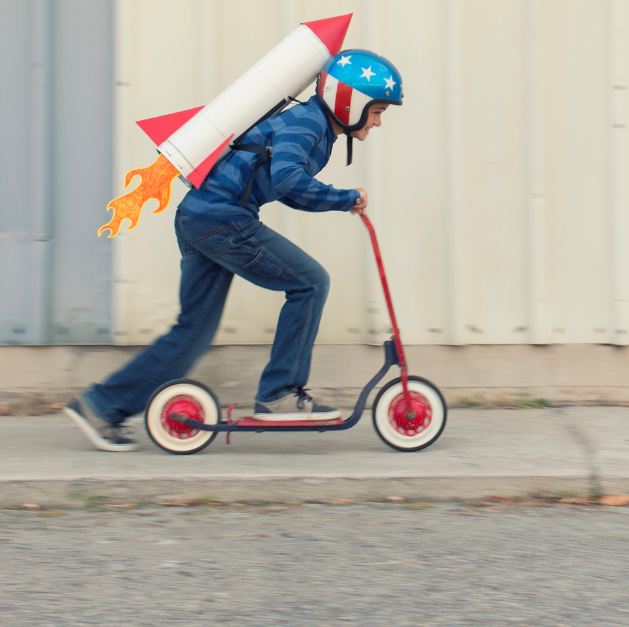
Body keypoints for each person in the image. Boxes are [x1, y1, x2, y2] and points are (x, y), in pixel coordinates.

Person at [64, 48, 403, 452]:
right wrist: (344, 197)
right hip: (222, 221)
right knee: (311, 283)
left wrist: (338, 200)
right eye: (377, 110)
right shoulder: (309, 124)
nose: (379, 121)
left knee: (192, 332)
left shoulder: (313, 126)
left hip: (198, 217)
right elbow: (290, 179)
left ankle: (101, 405)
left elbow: (283, 185)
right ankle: (279, 394)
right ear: (348, 101)